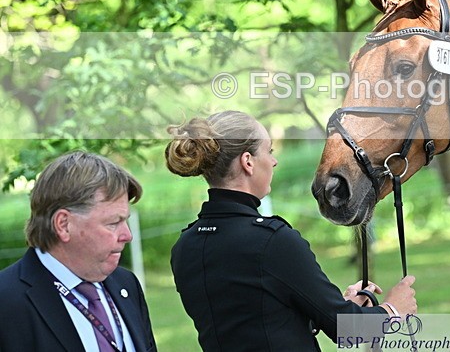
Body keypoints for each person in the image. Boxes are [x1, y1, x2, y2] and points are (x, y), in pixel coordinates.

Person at [166, 110, 417, 351]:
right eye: (269, 151)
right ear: (248, 162)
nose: (274, 161)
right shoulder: (271, 241)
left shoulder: (185, 247)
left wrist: (336, 306)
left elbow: (254, 321)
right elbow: (346, 329)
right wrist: (394, 309)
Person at [0, 151, 157, 352]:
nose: (127, 235)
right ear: (64, 224)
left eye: (125, 220)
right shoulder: (7, 302)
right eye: (113, 223)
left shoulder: (127, 285)